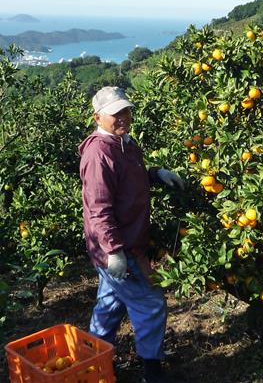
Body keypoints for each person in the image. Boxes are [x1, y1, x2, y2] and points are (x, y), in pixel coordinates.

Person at [79, 86, 185, 383]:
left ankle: (92, 363)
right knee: (151, 304)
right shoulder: (99, 153)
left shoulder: (125, 143)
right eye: (115, 114)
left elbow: (129, 180)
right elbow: (98, 208)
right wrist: (114, 251)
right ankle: (151, 371)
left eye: (125, 110)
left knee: (110, 305)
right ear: (97, 117)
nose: (123, 117)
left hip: (124, 242)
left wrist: (156, 174)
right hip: (119, 247)